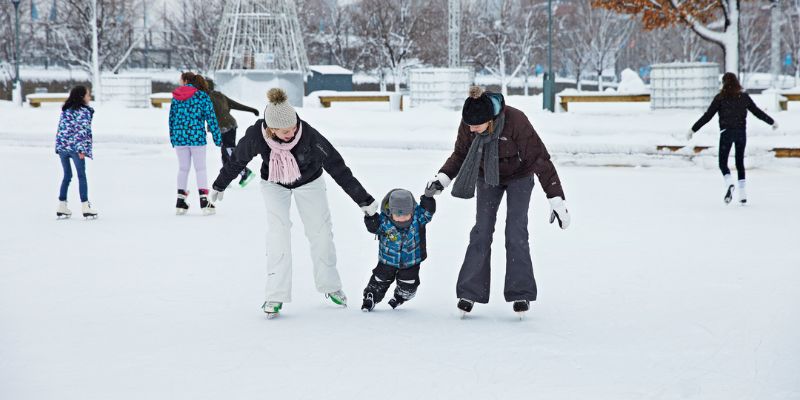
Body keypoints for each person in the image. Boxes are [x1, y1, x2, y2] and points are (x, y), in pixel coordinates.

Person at [210, 88, 377, 318]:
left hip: (310, 181)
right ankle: (275, 295)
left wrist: (363, 200)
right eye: (285, 131)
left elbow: (338, 168)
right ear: (271, 129)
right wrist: (220, 184)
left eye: (293, 128)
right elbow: (237, 159)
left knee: (320, 231)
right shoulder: (256, 136)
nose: (291, 133)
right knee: (278, 233)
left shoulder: (309, 135)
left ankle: (330, 285)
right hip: (274, 183)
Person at [425, 86, 570, 318]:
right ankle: (469, 292)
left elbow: (540, 159)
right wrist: (442, 179)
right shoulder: (469, 123)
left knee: (516, 232)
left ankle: (520, 292)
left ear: (490, 120)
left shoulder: (516, 121)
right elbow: (460, 154)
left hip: (520, 177)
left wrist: (556, 198)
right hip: (487, 177)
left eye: (476, 126)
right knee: (481, 231)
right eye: (469, 125)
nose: (471, 129)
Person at [688, 72, 778, 204]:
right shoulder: (744, 97)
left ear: (724, 83)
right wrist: (771, 122)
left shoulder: (720, 98)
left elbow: (707, 116)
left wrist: (693, 129)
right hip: (741, 133)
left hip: (726, 133)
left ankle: (729, 182)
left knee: (722, 163)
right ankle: (742, 195)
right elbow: (757, 112)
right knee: (739, 163)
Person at [360, 188, 436, 312]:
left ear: (412, 211)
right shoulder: (384, 221)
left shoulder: (418, 218)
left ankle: (401, 296)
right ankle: (371, 296)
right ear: (390, 212)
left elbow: (428, 212)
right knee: (380, 279)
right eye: (398, 215)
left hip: (410, 262)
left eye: (406, 214)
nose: (402, 218)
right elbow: (374, 227)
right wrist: (370, 217)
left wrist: (428, 198)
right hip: (387, 261)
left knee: (408, 284)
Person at [169, 72, 221, 215]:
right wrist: (217, 138)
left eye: (180, 79)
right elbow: (211, 119)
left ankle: (180, 201)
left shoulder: (176, 97)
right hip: (197, 137)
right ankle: (204, 202)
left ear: (185, 80)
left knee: (183, 168)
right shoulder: (202, 96)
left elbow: (171, 119)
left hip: (180, 137)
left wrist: (173, 137)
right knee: (200, 169)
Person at [206, 79, 259, 188]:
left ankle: (244, 172)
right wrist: (252, 110)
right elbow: (236, 105)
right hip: (230, 124)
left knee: (229, 151)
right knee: (225, 153)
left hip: (223, 127)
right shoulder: (219, 96)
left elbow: (209, 115)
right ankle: (226, 178)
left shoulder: (207, 99)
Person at [55, 85, 98, 219]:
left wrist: (59, 147)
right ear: (82, 96)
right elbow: (82, 131)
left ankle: (62, 205)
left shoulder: (66, 110)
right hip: (75, 149)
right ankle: (85, 206)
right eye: (88, 95)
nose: (89, 97)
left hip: (63, 148)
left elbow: (61, 130)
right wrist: (81, 149)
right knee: (81, 176)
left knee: (67, 176)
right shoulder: (83, 111)